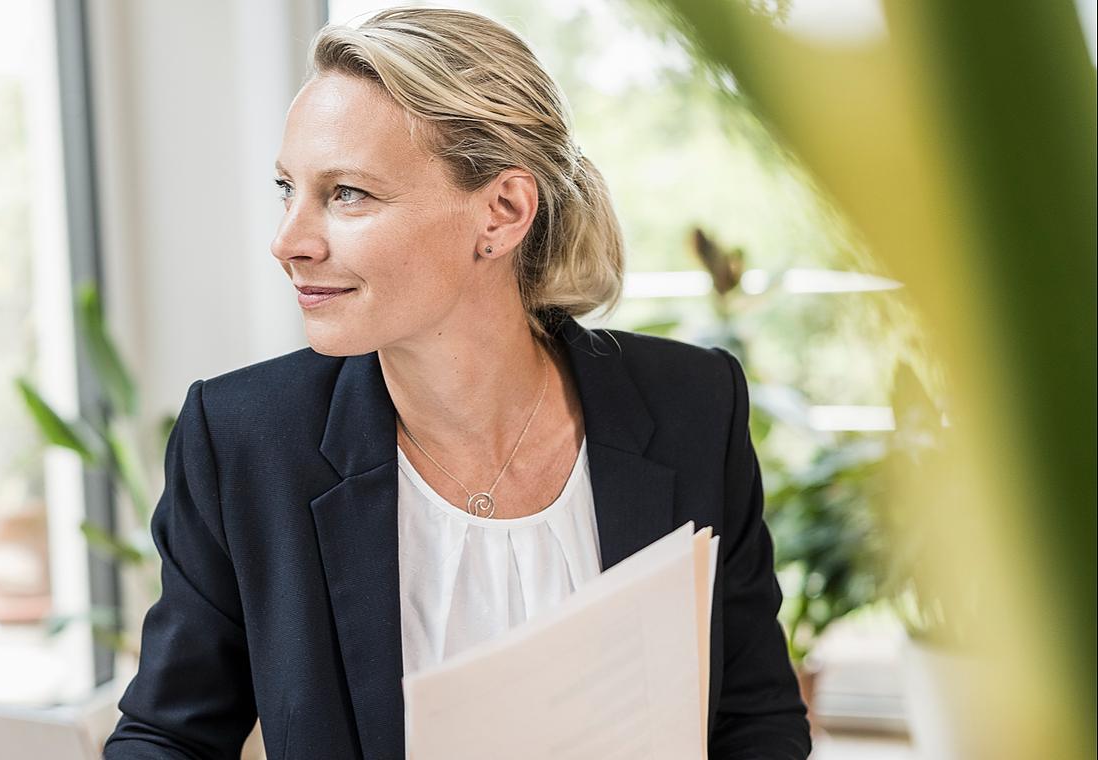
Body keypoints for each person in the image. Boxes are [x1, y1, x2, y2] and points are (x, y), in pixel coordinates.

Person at [104, 7, 810, 759]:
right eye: (287, 188)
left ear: (502, 212)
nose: (289, 242)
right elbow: (166, 738)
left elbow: (754, 719)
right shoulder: (244, 440)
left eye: (347, 194)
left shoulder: (693, 406)